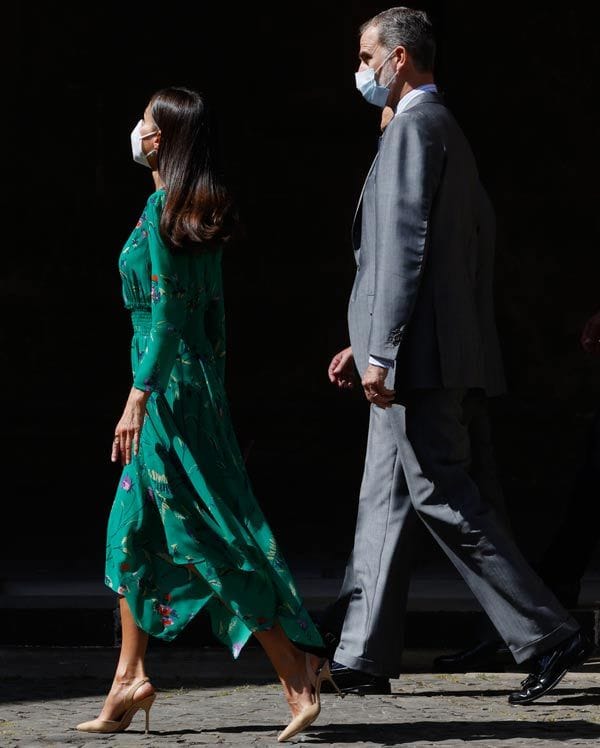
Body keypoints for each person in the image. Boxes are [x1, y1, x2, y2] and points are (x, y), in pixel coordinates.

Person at [324, 7, 592, 704]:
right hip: (424, 353)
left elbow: (409, 242)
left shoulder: (418, 128)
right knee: (383, 499)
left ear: (401, 58)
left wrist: (383, 347)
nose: (361, 69)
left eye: (366, 56)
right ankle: (361, 652)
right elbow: (430, 255)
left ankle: (549, 633)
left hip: (419, 363)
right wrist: (368, 337)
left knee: (441, 494)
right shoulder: (438, 131)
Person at [75, 87, 339, 742]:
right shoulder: (200, 211)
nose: (134, 130)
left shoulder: (163, 209)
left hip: (163, 395)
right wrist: (209, 395)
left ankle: (295, 672)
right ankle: (128, 680)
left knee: (204, 536)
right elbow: (216, 317)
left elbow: (165, 315)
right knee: (133, 532)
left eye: (143, 121)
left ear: (159, 138)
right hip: (192, 390)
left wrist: (139, 396)